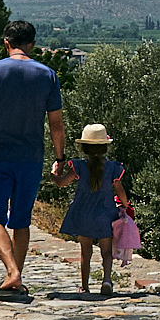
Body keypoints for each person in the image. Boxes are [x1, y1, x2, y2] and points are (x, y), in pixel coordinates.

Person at [0, 21, 67, 298]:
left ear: (6, 42)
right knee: (21, 221)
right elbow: (56, 125)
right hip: (31, 159)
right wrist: (59, 157)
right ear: (32, 44)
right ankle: (15, 278)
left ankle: (12, 273)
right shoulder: (48, 76)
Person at [59, 123, 129, 295]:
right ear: (105, 147)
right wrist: (126, 205)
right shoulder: (113, 168)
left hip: (83, 214)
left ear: (84, 147)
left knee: (86, 252)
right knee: (106, 251)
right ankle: (106, 280)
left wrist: (53, 175)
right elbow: (119, 190)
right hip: (106, 213)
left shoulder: (79, 167)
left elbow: (62, 183)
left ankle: (85, 286)